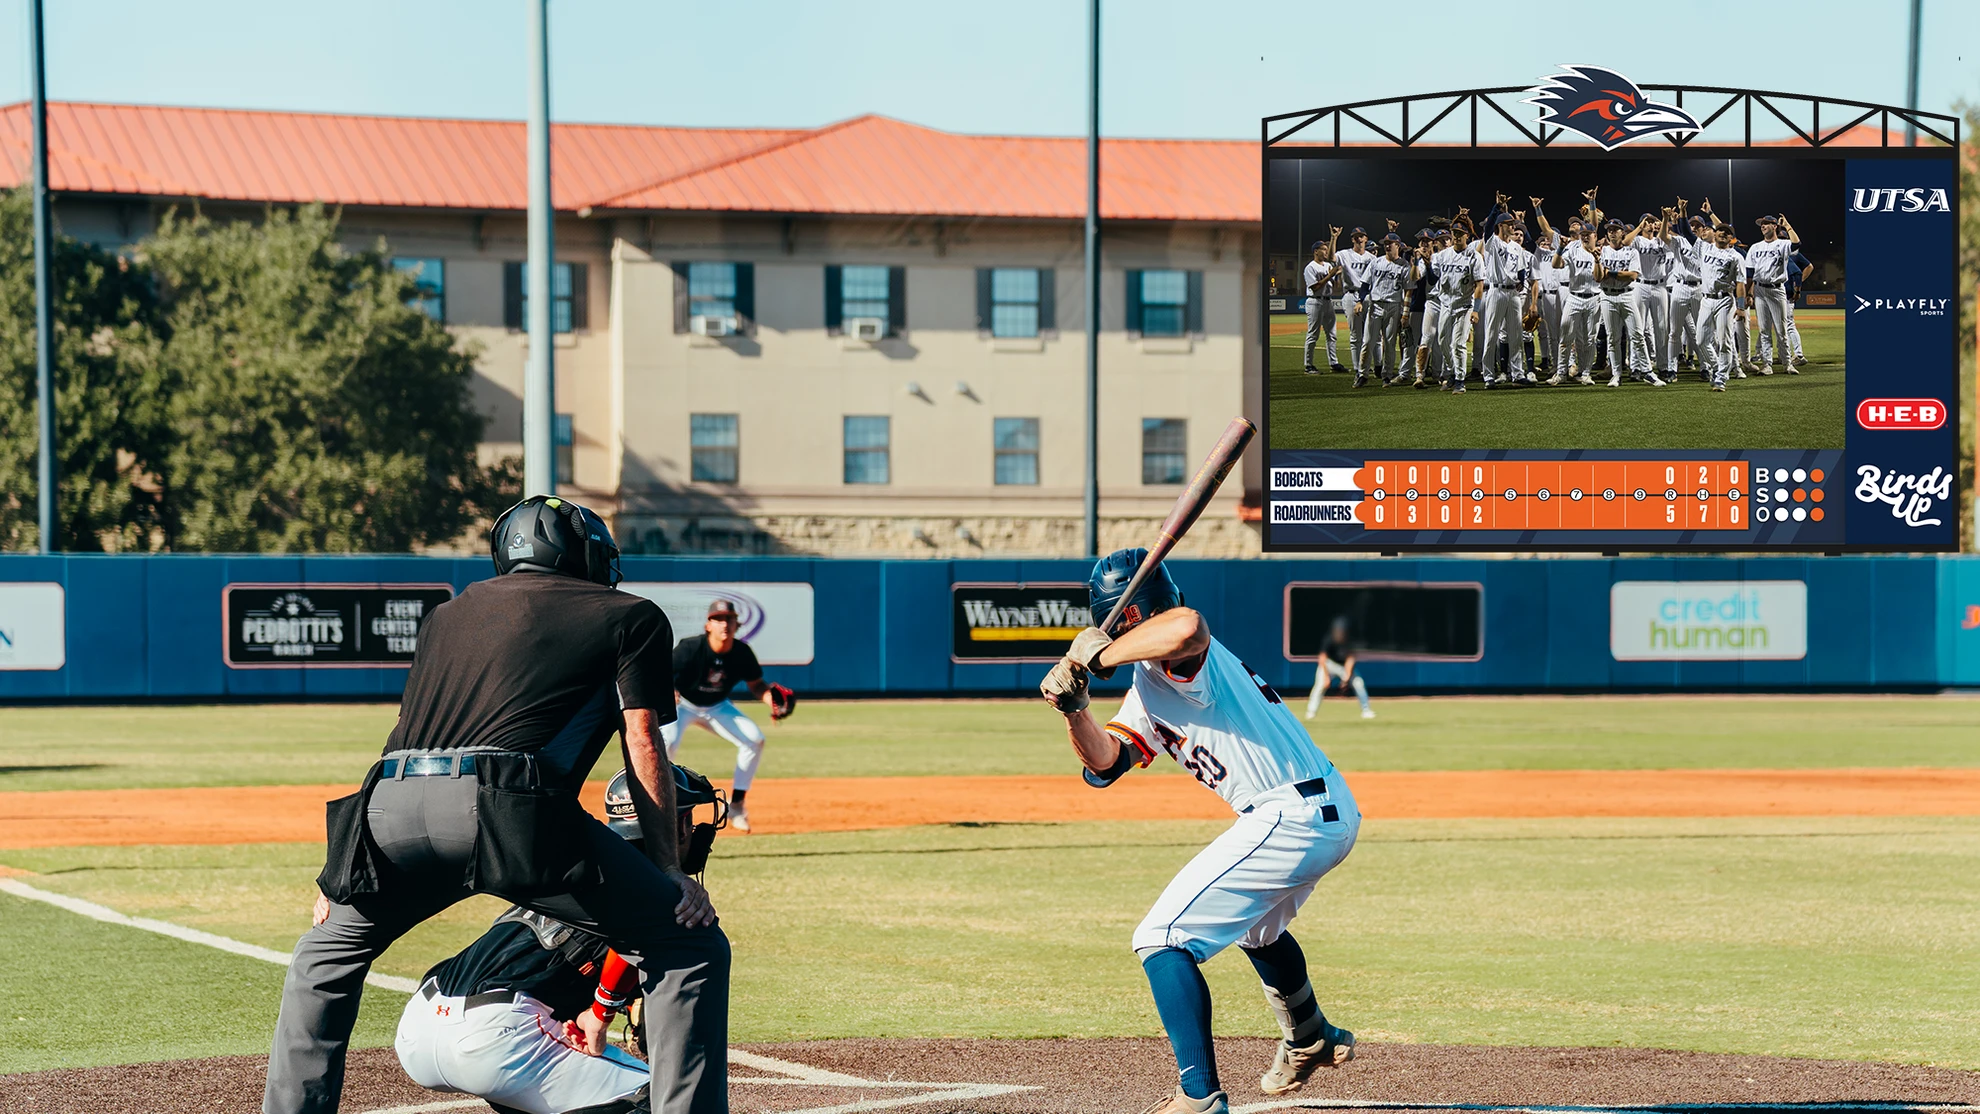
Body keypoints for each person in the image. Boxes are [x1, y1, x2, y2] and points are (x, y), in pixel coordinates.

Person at [264, 495, 730, 1114]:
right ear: (581, 554)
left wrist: (341, 871)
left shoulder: (446, 615)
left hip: (391, 802)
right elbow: (642, 739)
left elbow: (406, 736)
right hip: (510, 810)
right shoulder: (630, 615)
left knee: (323, 955)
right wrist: (669, 868)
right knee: (689, 945)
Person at [1040, 550, 1362, 1114]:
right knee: (1258, 930)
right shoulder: (1149, 682)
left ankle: (1198, 1098)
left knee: (1161, 937)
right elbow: (1105, 763)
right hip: (1316, 811)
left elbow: (1187, 628)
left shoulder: (1182, 660)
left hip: (1288, 813)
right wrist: (1075, 709)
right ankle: (1310, 1035)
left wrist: (1100, 653)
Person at [380, 767, 726, 1114]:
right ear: (681, 824)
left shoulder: (579, 864)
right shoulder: (654, 888)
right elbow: (634, 940)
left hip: (419, 1024)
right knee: (666, 1097)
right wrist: (601, 1012)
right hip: (498, 1037)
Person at [667, 598, 796, 834]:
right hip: (683, 704)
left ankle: (736, 806)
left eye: (729, 619)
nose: (724, 624)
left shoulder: (741, 652)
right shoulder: (690, 648)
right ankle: (662, 802)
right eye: (718, 619)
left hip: (717, 706)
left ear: (737, 625)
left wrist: (772, 701)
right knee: (667, 742)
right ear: (708, 625)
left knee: (754, 739)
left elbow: (757, 685)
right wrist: (670, 689)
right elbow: (662, 673)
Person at [1594, 216, 1662, 387]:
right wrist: (1597, 262)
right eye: (1609, 230)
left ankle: (1647, 372)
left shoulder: (1631, 252)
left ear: (1622, 232)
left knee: (1637, 335)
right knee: (1613, 338)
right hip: (1607, 296)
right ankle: (1616, 374)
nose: (1612, 232)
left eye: (1615, 229)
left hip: (1627, 295)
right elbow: (1598, 277)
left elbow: (1632, 276)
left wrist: (1610, 273)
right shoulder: (1602, 251)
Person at [1352, 232, 1415, 387]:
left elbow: (1408, 290)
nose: (1387, 246)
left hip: (1394, 305)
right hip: (1375, 305)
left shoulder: (1404, 265)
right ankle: (1362, 374)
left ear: (1398, 245)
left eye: (1390, 243)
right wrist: (1360, 301)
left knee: (1389, 343)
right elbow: (1365, 284)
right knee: (1368, 342)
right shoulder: (1376, 262)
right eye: (1385, 243)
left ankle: (1387, 375)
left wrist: (1405, 313)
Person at [1743, 214, 1798, 374]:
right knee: (1764, 330)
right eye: (1761, 224)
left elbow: (1796, 244)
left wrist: (1787, 226)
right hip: (1759, 290)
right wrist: (1748, 293)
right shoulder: (1755, 247)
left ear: (1774, 226)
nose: (1763, 226)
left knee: (1781, 330)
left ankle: (1787, 363)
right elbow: (1750, 274)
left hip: (1776, 289)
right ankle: (1767, 365)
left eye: (1766, 223)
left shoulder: (1782, 244)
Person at [1304, 617, 1373, 721]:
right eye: (1338, 630)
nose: (1340, 633)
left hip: (1343, 666)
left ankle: (1366, 710)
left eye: (1342, 631)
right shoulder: (1329, 639)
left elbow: (1351, 658)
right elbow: (1322, 658)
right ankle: (1311, 712)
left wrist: (1346, 678)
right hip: (1329, 664)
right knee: (1320, 685)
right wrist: (1326, 677)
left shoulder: (1350, 640)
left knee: (1358, 683)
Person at [1333, 227, 1378, 374]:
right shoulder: (1345, 254)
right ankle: (1359, 368)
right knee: (1355, 335)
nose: (1359, 238)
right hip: (1351, 295)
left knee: (1374, 334)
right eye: (1356, 236)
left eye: (1361, 236)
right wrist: (1334, 238)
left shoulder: (1372, 258)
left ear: (1366, 238)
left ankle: (1377, 366)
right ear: (1352, 239)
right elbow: (1331, 259)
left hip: (1369, 296)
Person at [1300, 236, 1341, 374]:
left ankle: (1334, 363)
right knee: (1313, 334)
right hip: (1315, 301)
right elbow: (1315, 287)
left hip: (1328, 301)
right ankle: (1308, 365)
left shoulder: (1328, 266)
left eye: (1326, 249)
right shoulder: (1310, 267)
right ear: (1315, 251)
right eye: (1323, 249)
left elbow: (1336, 287)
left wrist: (1336, 275)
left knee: (1332, 334)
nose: (1326, 252)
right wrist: (1329, 276)